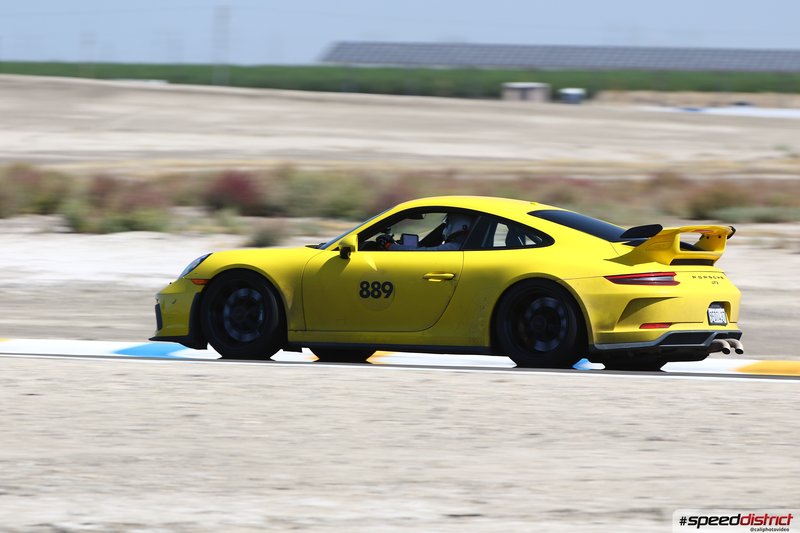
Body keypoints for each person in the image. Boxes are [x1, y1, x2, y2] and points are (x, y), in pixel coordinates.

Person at [376, 213, 473, 251]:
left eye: (447, 223)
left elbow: (422, 252)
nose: (445, 227)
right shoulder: (464, 244)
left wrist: (389, 245)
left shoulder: (455, 246)